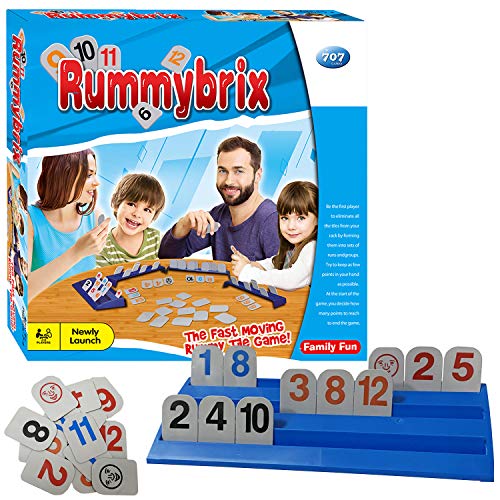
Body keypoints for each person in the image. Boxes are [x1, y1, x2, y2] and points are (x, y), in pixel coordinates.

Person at [159, 136, 279, 262]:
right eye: (223, 171)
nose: (229, 181)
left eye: (238, 171)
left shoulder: (272, 221)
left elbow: (286, 273)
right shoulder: (218, 216)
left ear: (257, 175)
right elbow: (166, 256)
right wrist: (184, 224)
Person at [27, 149, 110, 302]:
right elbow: (23, 292)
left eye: (95, 174)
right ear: (63, 176)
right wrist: (76, 252)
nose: (97, 182)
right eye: (89, 175)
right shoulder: (29, 220)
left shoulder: (94, 216)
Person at [231, 181, 317, 291]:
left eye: (301, 218)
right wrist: (251, 264)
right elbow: (275, 262)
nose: (291, 226)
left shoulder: (313, 248)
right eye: (285, 218)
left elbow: (290, 280)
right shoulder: (293, 247)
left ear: (318, 219)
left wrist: (248, 272)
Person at [97, 173, 166, 267]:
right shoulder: (103, 248)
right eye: (131, 204)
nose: (137, 214)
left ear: (153, 217)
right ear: (116, 204)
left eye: (147, 210)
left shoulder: (158, 240)